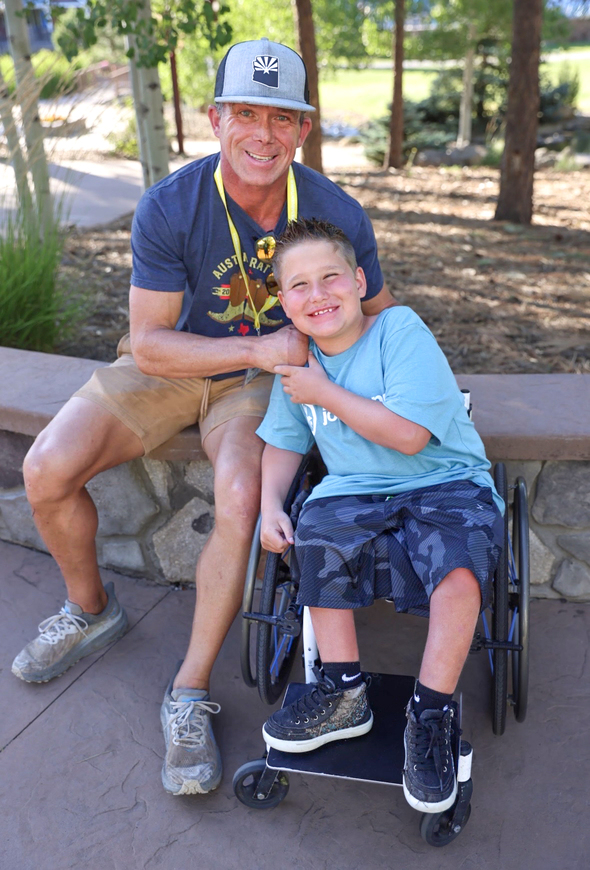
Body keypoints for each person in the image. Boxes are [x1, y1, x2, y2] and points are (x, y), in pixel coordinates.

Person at [13, 39, 392, 797]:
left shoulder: (335, 212)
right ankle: (89, 609)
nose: (263, 134)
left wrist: (390, 388)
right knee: (45, 468)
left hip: (257, 385)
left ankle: (187, 693)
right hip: (172, 364)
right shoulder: (170, 204)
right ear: (215, 120)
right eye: (245, 113)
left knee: (242, 493)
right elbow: (150, 342)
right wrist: (261, 345)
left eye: (281, 118)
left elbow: (379, 316)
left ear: (303, 129)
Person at [256, 218, 504, 813]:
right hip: (355, 489)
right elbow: (286, 441)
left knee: (459, 568)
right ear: (284, 302)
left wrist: (325, 392)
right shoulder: (298, 361)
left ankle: (431, 713)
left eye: (331, 277)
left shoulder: (398, 328)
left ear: (360, 281)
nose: (318, 294)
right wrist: (268, 505)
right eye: (299, 285)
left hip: (443, 479)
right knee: (317, 534)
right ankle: (343, 693)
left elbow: (411, 437)